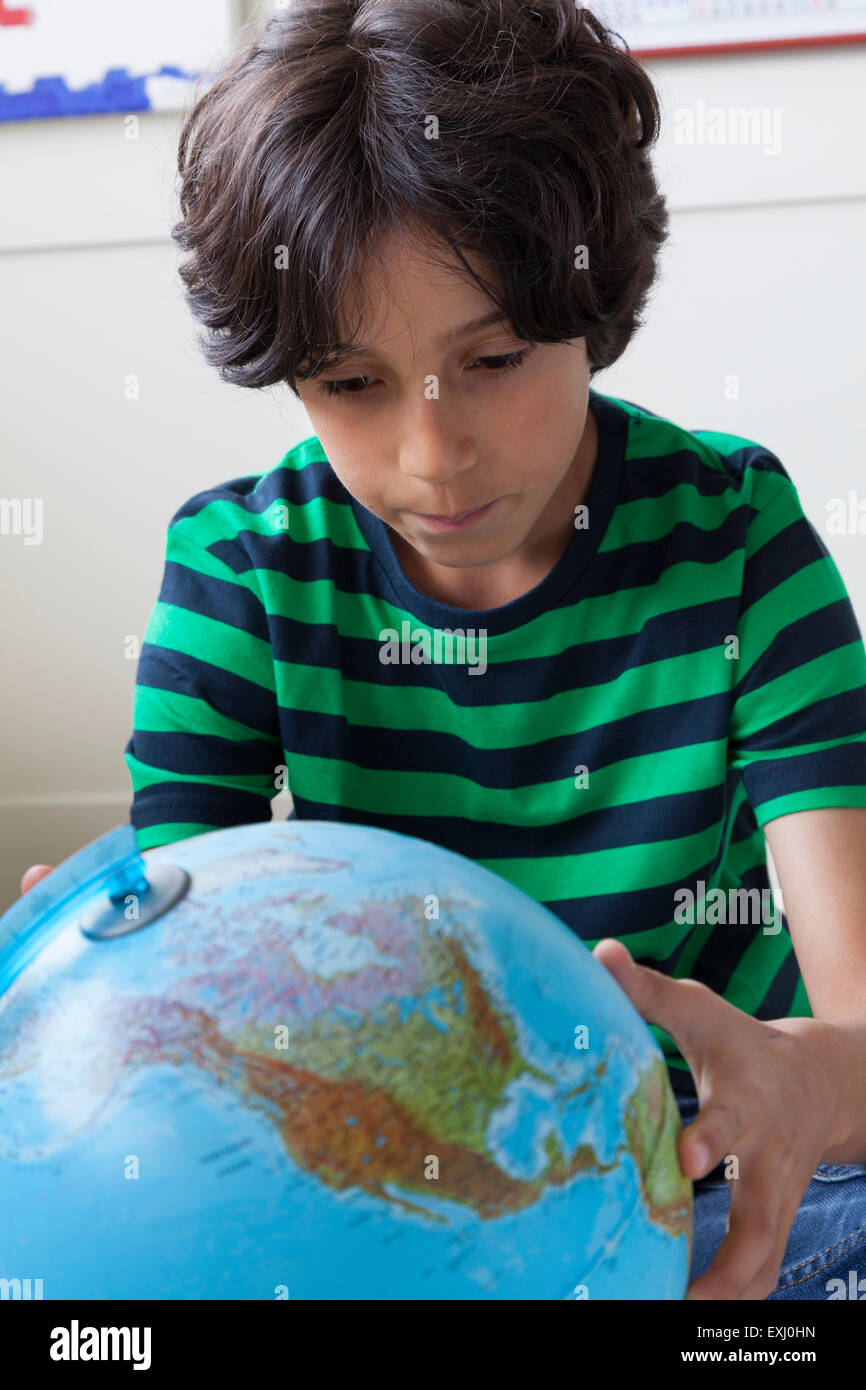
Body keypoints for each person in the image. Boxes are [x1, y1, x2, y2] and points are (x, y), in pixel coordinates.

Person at [20, 0, 866, 1299]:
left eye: (495, 357)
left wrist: (812, 1077)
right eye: (351, 383)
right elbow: (210, 1016)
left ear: (592, 300)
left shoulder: (736, 541)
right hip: (426, 1203)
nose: (433, 456)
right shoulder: (239, 573)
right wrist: (91, 992)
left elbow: (858, 1027)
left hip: (755, 1165)